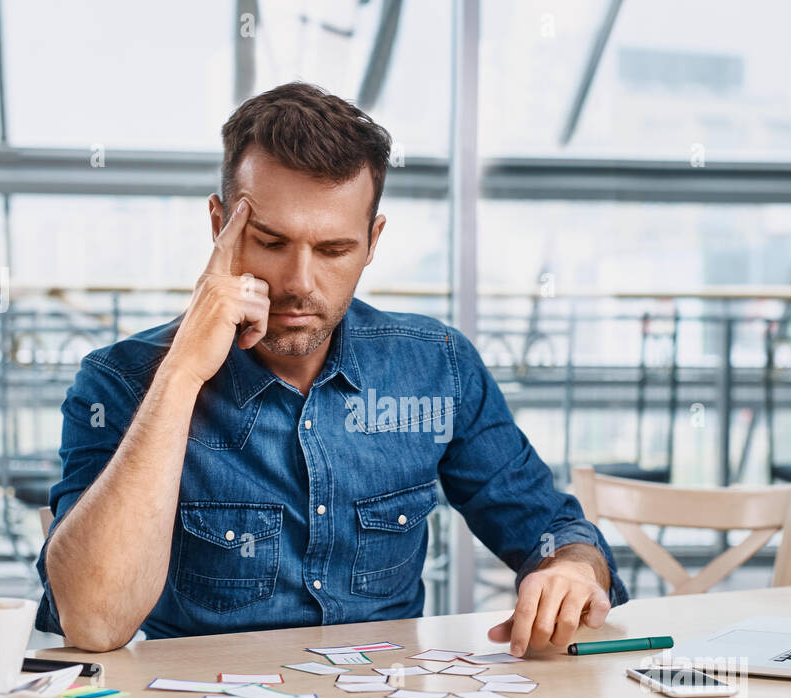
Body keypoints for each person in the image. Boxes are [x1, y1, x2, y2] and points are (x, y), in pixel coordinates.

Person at [38, 81, 628, 654]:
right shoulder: (118, 382)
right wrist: (181, 375)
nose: (299, 283)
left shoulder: (435, 368)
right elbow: (93, 622)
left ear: (372, 243)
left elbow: (551, 530)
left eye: (333, 250)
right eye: (270, 242)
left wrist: (572, 571)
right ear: (220, 228)